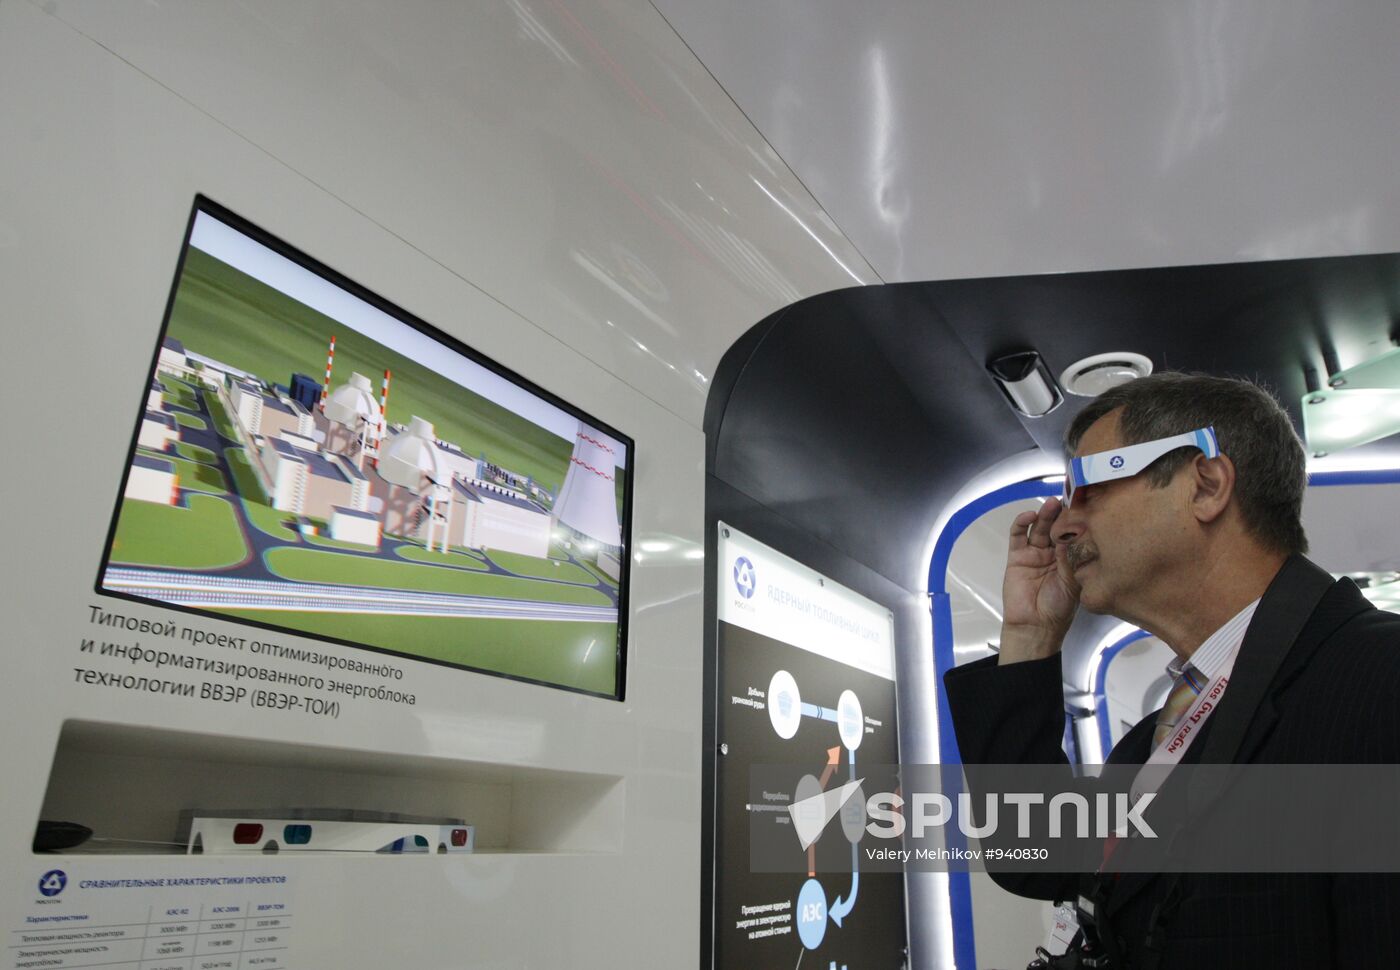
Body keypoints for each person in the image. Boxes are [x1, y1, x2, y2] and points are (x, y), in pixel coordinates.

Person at [943, 372, 1400, 969]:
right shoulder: (1152, 741)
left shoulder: (1379, 680)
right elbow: (1037, 855)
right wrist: (1030, 635)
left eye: (1089, 490)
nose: (1061, 525)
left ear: (1206, 486)